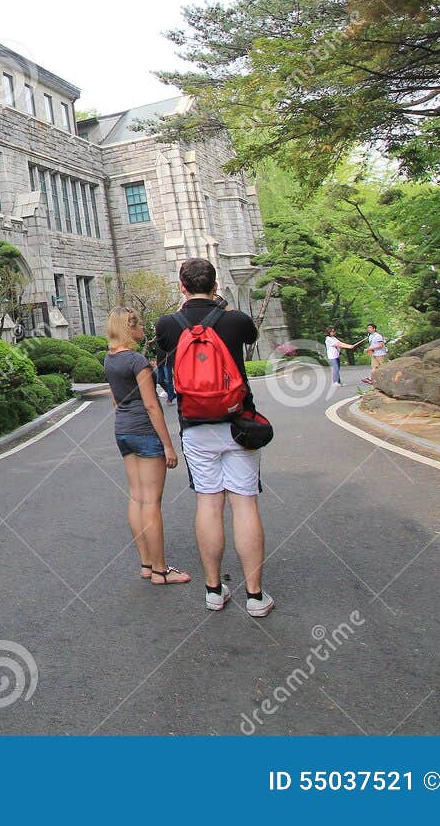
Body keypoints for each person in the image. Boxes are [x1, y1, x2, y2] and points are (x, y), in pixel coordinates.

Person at [156, 258, 273, 617]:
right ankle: (254, 596)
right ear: (215, 283)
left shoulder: (168, 324)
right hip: (239, 423)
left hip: (195, 426)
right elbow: (250, 338)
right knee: (244, 503)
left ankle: (212, 589)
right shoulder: (235, 320)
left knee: (209, 503)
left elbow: (163, 360)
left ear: (181, 286)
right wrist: (224, 307)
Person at [104, 308, 190, 586]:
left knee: (136, 497)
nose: (144, 329)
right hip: (145, 431)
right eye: (140, 324)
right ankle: (161, 571)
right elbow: (152, 405)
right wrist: (168, 446)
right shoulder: (136, 360)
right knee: (152, 501)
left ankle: (146, 564)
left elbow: (116, 400)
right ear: (131, 328)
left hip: (123, 430)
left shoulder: (110, 358)